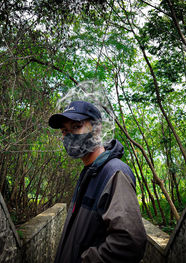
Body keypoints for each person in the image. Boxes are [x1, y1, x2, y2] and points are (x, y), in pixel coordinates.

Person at [49, 100, 147, 263]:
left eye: (76, 126)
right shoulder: (89, 173)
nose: (68, 136)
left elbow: (130, 243)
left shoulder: (114, 173)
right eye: (64, 131)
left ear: (97, 129)